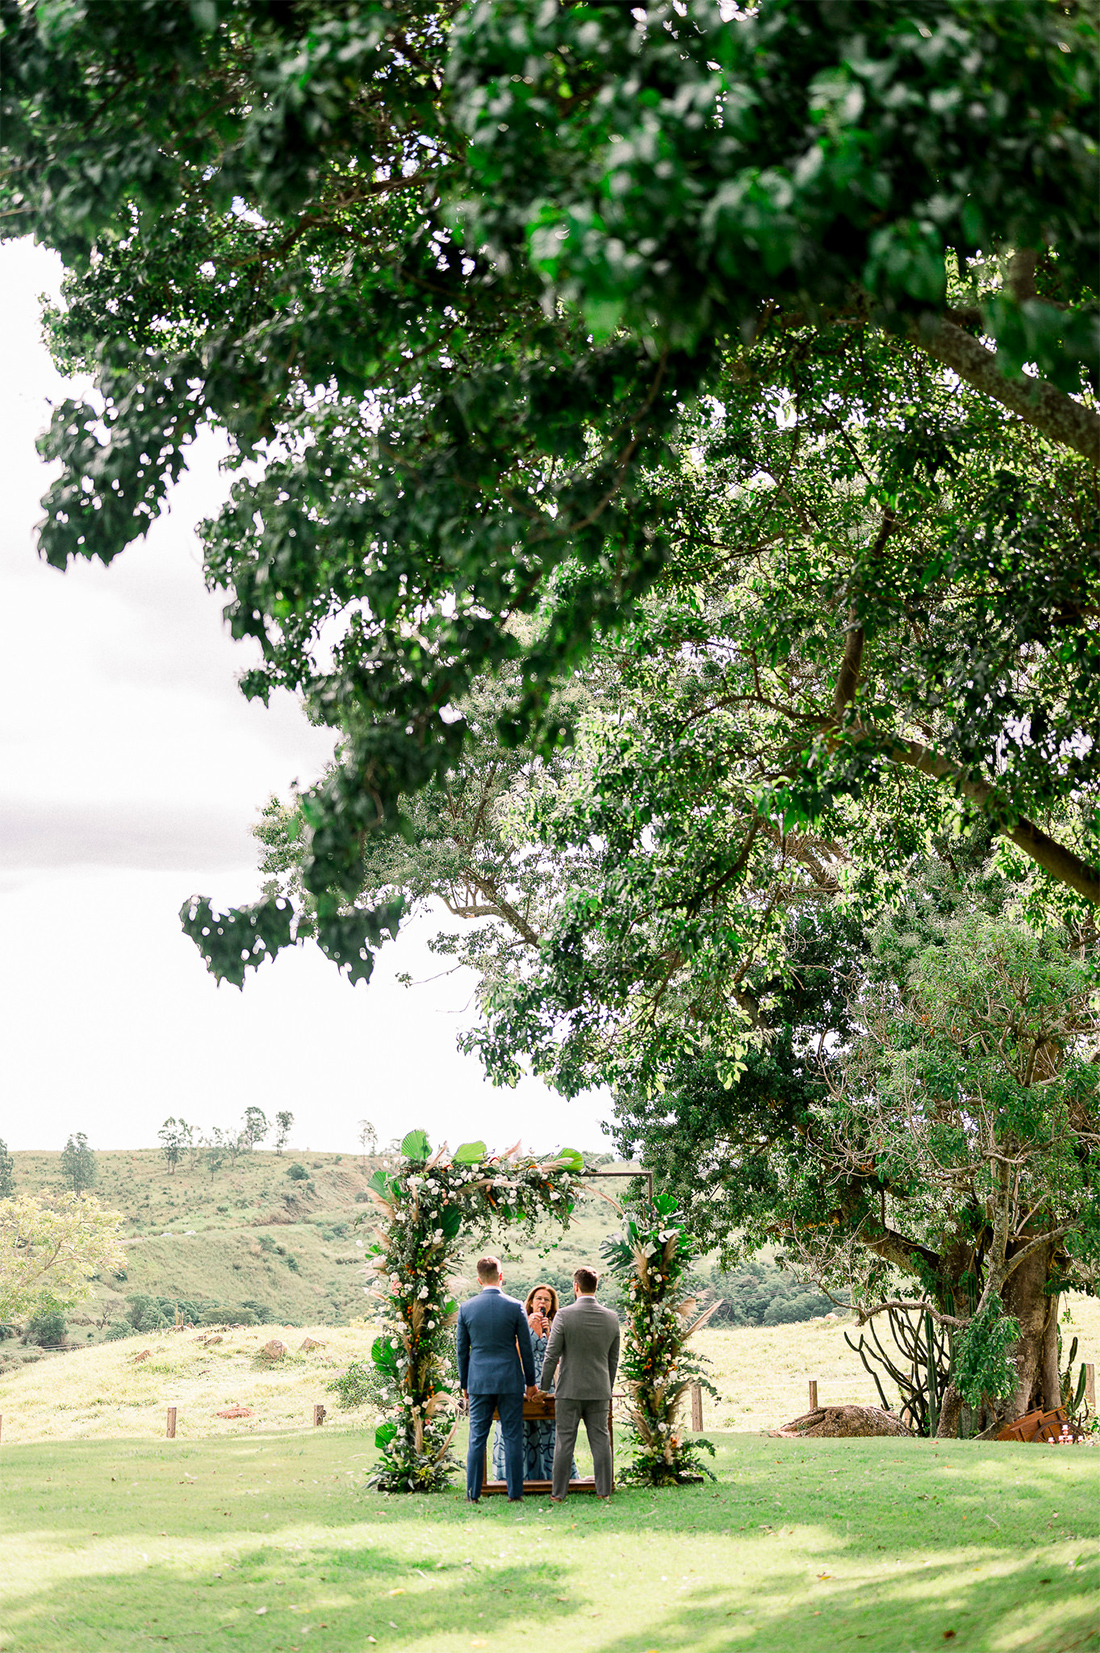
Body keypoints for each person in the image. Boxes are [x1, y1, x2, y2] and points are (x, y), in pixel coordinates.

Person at [456, 1255, 537, 1503]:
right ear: (501, 1276)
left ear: (479, 1279)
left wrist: (464, 1384)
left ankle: (472, 1494)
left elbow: (462, 1350)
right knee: (513, 1436)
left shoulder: (466, 1308)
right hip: (509, 1379)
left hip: (478, 1380)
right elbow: (525, 1347)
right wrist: (531, 1383)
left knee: (477, 1437)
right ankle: (515, 1494)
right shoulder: (515, 1306)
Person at [539, 1265, 620, 1502]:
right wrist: (608, 1386)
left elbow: (551, 1355)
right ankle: (604, 1492)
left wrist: (544, 1388)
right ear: (596, 1287)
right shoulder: (612, 1317)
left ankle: (558, 1494)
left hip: (569, 1390)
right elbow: (613, 1359)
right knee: (601, 1440)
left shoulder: (564, 1315)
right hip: (599, 1389)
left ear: (576, 1286)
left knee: (564, 1441)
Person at [491, 1284, 578, 1485]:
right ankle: (516, 1476)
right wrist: (528, 1328)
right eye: (539, 1298)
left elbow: (561, 1358)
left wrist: (549, 1334)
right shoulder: (519, 1321)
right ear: (530, 1301)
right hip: (522, 1379)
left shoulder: (556, 1323)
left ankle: (550, 1475)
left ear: (551, 1305)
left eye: (547, 1300)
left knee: (548, 1428)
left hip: (548, 1381)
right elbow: (512, 1354)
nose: (542, 1303)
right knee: (520, 1427)